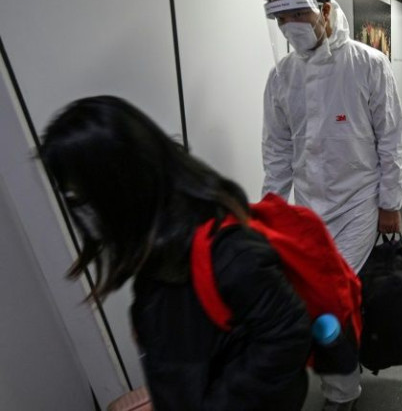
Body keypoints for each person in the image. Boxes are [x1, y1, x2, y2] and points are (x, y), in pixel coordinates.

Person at [39, 96, 312, 411]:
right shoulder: (157, 246)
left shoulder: (226, 252)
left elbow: (287, 335)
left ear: (116, 185)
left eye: (80, 194)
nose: (83, 210)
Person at [261, 0, 402, 411]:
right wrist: (271, 207)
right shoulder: (283, 77)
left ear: (324, 9)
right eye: (280, 19)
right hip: (308, 209)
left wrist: (390, 202)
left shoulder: (368, 64)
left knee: (332, 300)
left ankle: (342, 393)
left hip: (359, 205)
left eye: (297, 15)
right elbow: (278, 149)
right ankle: (340, 369)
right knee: (318, 298)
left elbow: (391, 138)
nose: (290, 28)